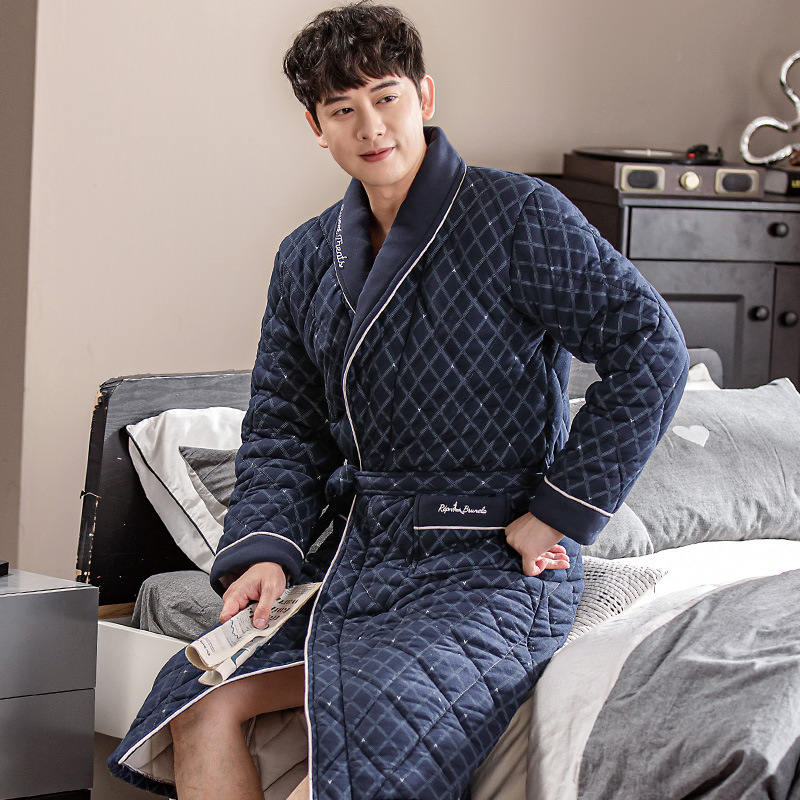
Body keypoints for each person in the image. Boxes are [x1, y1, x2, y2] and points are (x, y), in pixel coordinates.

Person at [109, 3, 689, 799]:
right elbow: (285, 425)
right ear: (316, 127)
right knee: (197, 702)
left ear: (425, 96)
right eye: (343, 109)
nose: (371, 126)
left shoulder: (518, 215)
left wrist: (557, 511)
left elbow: (652, 349)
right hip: (360, 556)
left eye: (386, 97)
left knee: (368, 756)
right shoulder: (307, 256)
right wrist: (265, 551)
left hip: (487, 564)